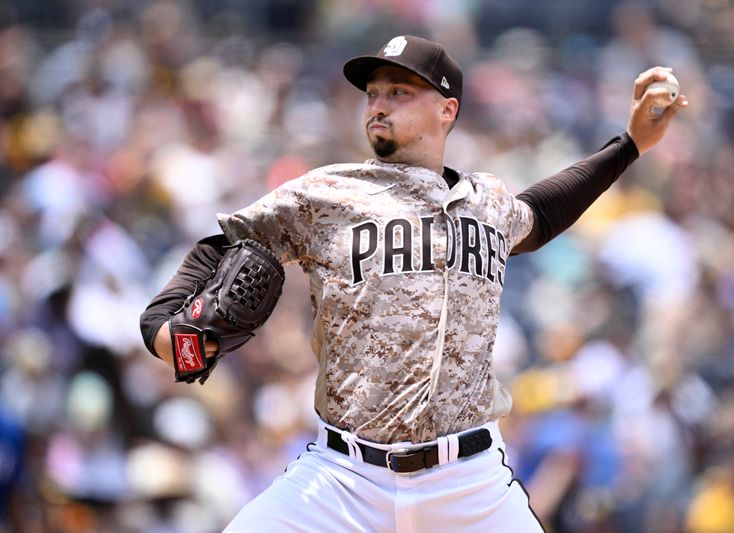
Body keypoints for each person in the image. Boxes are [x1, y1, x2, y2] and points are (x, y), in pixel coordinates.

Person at [140, 35, 688, 532]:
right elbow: (222, 245)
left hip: (469, 482)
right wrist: (165, 330)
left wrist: (630, 144)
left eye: (400, 91)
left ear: (447, 110)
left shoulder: (487, 202)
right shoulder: (327, 194)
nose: (378, 103)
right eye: (373, 93)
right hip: (342, 480)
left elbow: (541, 213)